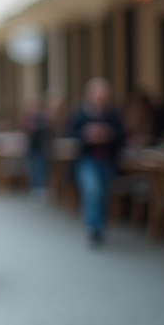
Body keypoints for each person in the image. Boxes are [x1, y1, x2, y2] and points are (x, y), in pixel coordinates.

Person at [67, 78, 125, 246]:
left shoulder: (113, 114)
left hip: (107, 161)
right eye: (98, 96)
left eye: (104, 96)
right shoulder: (79, 114)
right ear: (90, 96)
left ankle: (100, 223)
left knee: (104, 194)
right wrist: (86, 135)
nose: (101, 99)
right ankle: (93, 228)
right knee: (92, 189)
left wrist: (109, 134)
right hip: (87, 160)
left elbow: (122, 136)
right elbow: (70, 134)